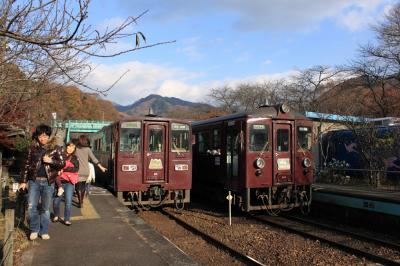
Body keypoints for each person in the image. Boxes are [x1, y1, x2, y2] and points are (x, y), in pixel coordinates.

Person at [19, 124, 65, 240]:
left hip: (48, 183)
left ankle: (44, 231)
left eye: (45, 136)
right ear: (37, 136)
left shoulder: (56, 148)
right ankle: (34, 229)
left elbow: (62, 163)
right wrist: (23, 181)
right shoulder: (31, 148)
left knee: (45, 208)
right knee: (31, 207)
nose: (42, 138)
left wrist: (51, 161)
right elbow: (25, 165)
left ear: (49, 136)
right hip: (34, 181)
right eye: (40, 136)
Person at [75, 135, 106, 207]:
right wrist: (101, 167)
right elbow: (94, 159)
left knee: (77, 187)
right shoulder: (88, 149)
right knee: (83, 187)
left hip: (77, 170)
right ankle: (81, 201)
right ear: (86, 141)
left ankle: (80, 202)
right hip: (86, 171)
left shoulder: (76, 149)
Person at [53, 141, 79, 226]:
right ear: (66, 146)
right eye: (69, 146)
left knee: (68, 201)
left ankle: (67, 219)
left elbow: (76, 169)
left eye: (73, 147)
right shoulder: (60, 155)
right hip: (59, 181)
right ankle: (56, 215)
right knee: (56, 201)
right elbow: (56, 167)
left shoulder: (75, 158)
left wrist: (64, 169)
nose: (71, 149)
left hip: (69, 183)